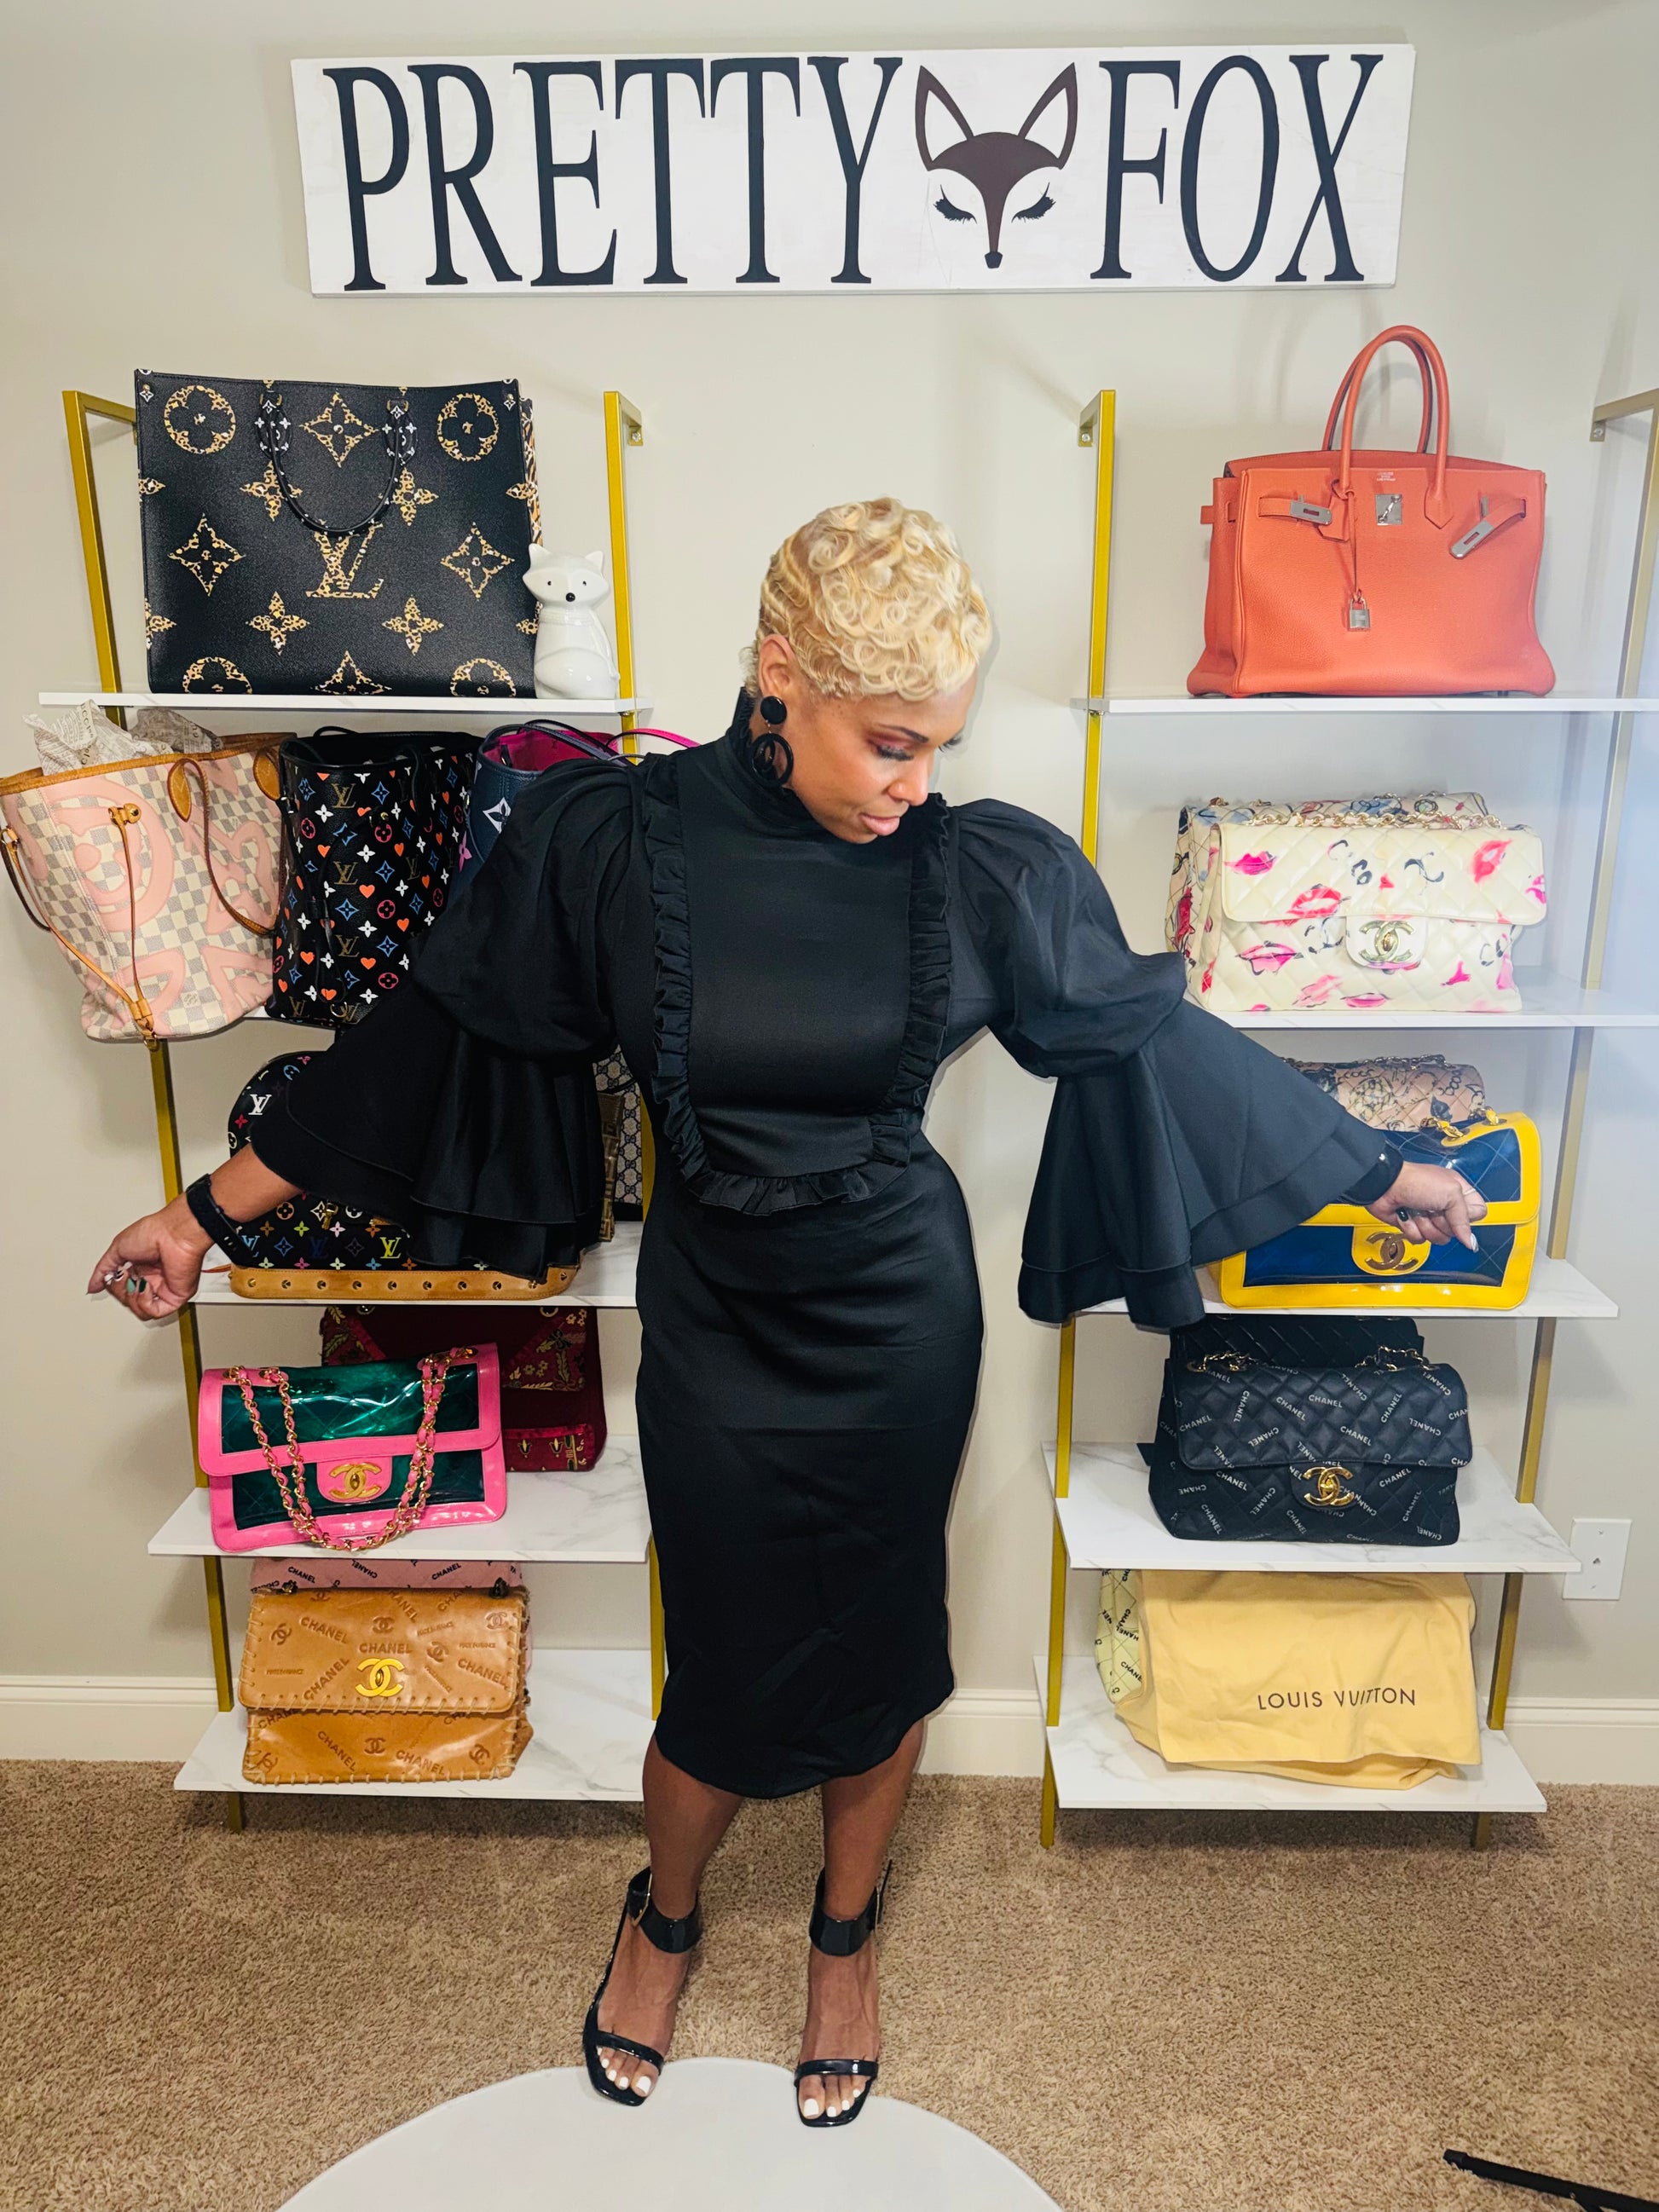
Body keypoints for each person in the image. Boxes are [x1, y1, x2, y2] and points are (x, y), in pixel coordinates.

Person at [91, 500, 1485, 2128]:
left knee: (880, 1637)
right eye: (891, 743)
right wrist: (201, 1214)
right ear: (781, 674)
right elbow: (424, 1042)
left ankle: (843, 1936)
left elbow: (1144, 1034)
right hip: (717, 1319)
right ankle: (664, 1918)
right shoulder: (608, 844)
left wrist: (1376, 1167)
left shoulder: (979, 864)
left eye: (939, 745)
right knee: (727, 1646)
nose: (918, 784)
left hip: (897, 1319)